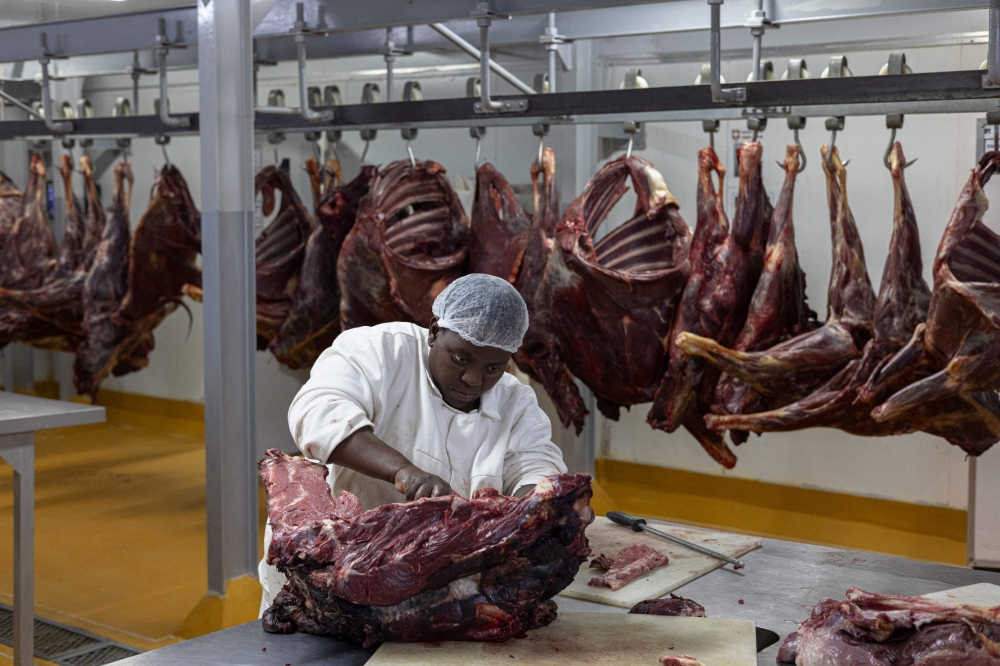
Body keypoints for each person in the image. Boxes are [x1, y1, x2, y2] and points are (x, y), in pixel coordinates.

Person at [258, 273, 567, 613]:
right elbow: (318, 412)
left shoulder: (517, 405)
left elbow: (537, 465)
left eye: (493, 367)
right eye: (461, 359)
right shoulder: (381, 350)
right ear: (435, 331)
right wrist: (406, 472)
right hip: (334, 571)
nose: (474, 379)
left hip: (437, 590)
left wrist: (534, 505)